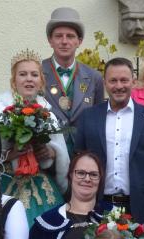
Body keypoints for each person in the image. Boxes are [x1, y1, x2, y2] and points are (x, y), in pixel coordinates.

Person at [0, 49, 69, 226]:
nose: (29, 79)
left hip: (40, 182)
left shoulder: (48, 115)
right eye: (23, 74)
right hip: (4, 181)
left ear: (41, 81)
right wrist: (10, 155)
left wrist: (50, 152)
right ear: (14, 80)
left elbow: (61, 154)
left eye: (34, 74)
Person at [73, 57, 144, 221]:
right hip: (97, 206)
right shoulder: (89, 117)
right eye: (113, 81)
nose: (118, 86)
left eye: (124, 80)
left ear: (133, 81)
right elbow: (77, 159)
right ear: (104, 83)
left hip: (139, 208)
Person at [42, 7, 105, 154]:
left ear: (79, 41)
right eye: (58, 36)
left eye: (70, 36)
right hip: (48, 157)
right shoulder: (36, 73)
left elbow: (99, 120)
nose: (64, 41)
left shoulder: (94, 77)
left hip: (83, 155)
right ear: (50, 40)